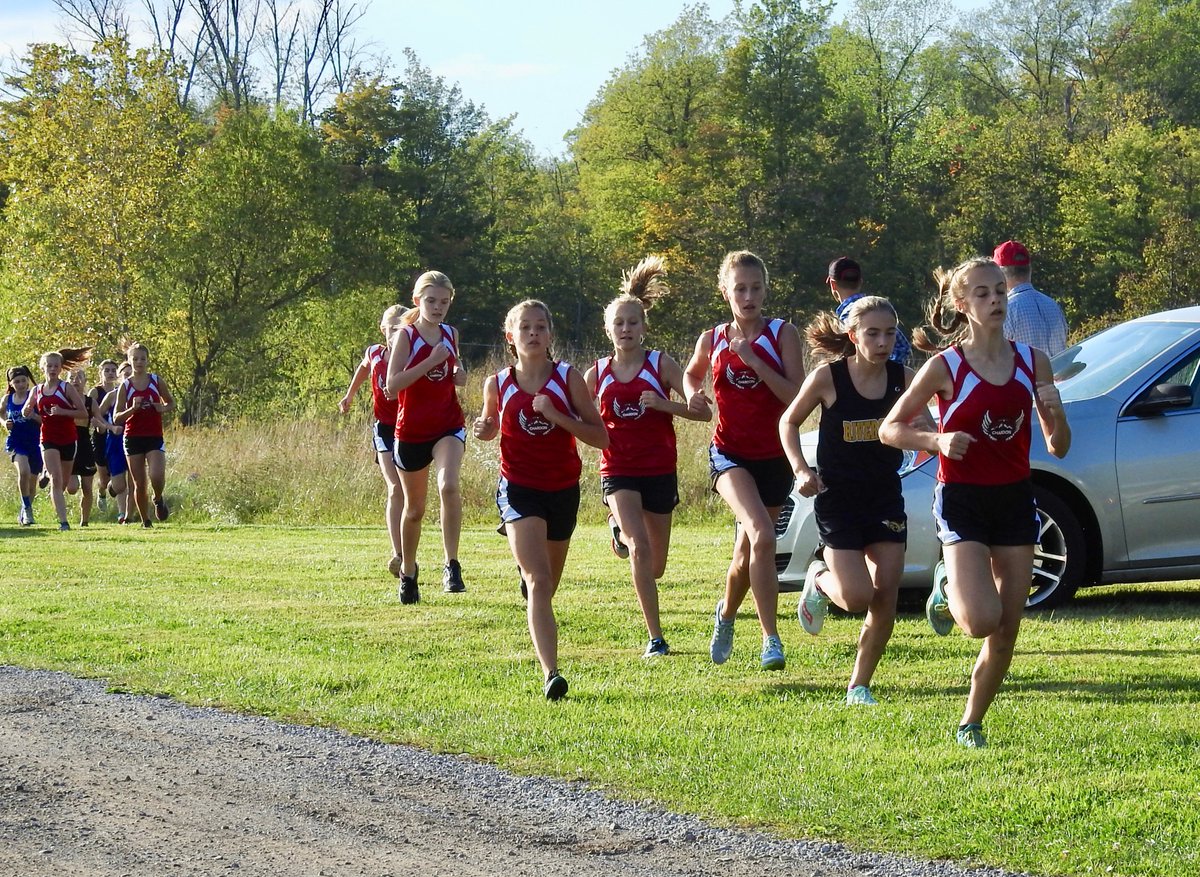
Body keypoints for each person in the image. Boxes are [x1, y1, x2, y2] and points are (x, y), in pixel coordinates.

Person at [879, 257, 1071, 748]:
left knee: (1006, 629)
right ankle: (947, 587)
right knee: (980, 621)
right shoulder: (945, 366)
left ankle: (971, 723)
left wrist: (1054, 413)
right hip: (962, 499)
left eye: (999, 291)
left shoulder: (1033, 361)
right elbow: (891, 429)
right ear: (962, 305)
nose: (994, 300)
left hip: (1014, 499)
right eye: (982, 294)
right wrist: (938, 441)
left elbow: (1059, 446)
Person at [780, 297, 918, 705]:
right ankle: (818, 579)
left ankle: (859, 684)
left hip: (884, 497)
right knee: (857, 597)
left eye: (889, 333)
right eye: (872, 333)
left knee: (886, 591)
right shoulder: (829, 378)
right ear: (853, 335)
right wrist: (802, 470)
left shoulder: (903, 378)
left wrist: (934, 434)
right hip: (837, 499)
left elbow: (926, 422)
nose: (882, 341)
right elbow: (788, 421)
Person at [472, 300, 609, 700]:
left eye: (540, 327)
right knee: (539, 580)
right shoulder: (497, 383)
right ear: (510, 337)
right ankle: (552, 673)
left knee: (546, 587)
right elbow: (490, 427)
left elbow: (600, 437)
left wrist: (556, 415)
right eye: (525, 328)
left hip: (562, 489)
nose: (533, 333)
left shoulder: (567, 379)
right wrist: (483, 428)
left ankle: (532, 591)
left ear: (550, 335)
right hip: (518, 488)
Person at [584, 256, 711, 659]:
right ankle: (656, 638)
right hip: (617, 468)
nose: (626, 329)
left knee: (655, 565)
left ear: (644, 327)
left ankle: (617, 530)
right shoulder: (597, 373)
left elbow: (703, 412)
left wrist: (664, 404)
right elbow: (576, 417)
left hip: (659, 468)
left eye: (633, 322)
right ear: (608, 329)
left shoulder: (661, 364)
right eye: (619, 323)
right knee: (639, 549)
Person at [683, 250, 804, 671]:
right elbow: (692, 373)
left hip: (774, 458)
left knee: (744, 555)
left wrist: (754, 360)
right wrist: (692, 394)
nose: (748, 296)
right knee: (763, 535)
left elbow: (796, 398)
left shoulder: (782, 334)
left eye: (755, 288)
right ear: (725, 292)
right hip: (729, 455)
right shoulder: (712, 338)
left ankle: (727, 614)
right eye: (740, 288)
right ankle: (772, 639)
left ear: (766, 290)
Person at [385, 273, 470, 603]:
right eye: (431, 301)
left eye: (444, 302)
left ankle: (451, 565)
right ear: (418, 301)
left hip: (448, 425)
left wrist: (459, 374)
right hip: (411, 432)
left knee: (448, 485)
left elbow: (455, 370)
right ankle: (408, 571)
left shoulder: (451, 333)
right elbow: (392, 385)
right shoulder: (406, 336)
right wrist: (429, 362)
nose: (438, 308)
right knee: (415, 510)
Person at [339, 304, 410, 579]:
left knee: (408, 494)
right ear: (383, 330)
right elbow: (363, 368)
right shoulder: (375, 353)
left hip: (409, 427)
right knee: (394, 489)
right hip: (383, 429)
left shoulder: (410, 356)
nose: (394, 334)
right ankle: (398, 553)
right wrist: (349, 395)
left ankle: (408, 549)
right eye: (390, 329)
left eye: (399, 329)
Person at [23, 348, 90, 530]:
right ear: (43, 368)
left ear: (61, 368)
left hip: (68, 438)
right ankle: (63, 522)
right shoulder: (37, 390)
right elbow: (27, 408)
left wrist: (63, 412)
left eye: (56, 366)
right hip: (48, 438)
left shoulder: (66, 388)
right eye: (49, 366)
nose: (52, 369)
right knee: (56, 478)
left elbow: (83, 413)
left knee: (64, 483)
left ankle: (48, 479)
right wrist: (26, 411)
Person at [113, 342, 174, 528]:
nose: (139, 362)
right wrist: (132, 409)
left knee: (156, 476)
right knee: (139, 482)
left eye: (142, 359)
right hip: (132, 437)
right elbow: (116, 417)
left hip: (154, 435)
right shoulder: (125, 386)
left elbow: (170, 403)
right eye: (135, 359)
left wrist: (160, 408)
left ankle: (158, 497)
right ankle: (145, 520)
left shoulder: (156, 381)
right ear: (129, 361)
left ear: (148, 361)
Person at [827, 257, 911, 366]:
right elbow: (903, 347)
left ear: (833, 284)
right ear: (860, 282)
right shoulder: (878, 309)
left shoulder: (850, 315)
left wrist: (880, 370)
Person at [993, 240, 1068, 357]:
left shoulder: (1006, 311)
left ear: (1000, 274)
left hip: (1025, 375)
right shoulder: (1053, 305)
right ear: (1030, 269)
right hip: (1059, 374)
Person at [3, 365, 43, 526]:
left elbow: (44, 421)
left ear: (28, 382)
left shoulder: (35, 397)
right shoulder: (7, 399)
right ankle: (27, 508)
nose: (21, 384)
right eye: (17, 382)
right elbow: (1, 413)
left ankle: (25, 511)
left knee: (32, 484)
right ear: (11, 384)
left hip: (35, 442)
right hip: (16, 442)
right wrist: (4, 423)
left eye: (23, 381)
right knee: (24, 471)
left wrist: (33, 415)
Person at [96, 362, 133, 524]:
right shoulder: (112, 395)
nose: (128, 377)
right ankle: (112, 485)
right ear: (119, 377)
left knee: (134, 481)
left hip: (134, 440)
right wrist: (110, 427)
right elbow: (96, 415)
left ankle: (124, 514)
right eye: (125, 374)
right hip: (115, 442)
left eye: (130, 374)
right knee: (119, 485)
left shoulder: (140, 394)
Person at [88, 359, 120, 511]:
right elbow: (90, 415)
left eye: (113, 370)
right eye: (106, 370)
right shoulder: (96, 392)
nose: (110, 373)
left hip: (116, 437)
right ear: (100, 373)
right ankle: (101, 492)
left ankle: (116, 489)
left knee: (116, 472)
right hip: (100, 436)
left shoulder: (121, 390)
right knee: (104, 478)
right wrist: (104, 426)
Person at [67, 366, 97, 526]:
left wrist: (104, 426)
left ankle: (84, 521)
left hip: (85, 443)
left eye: (79, 377)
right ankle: (49, 473)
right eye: (71, 378)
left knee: (87, 486)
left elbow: (100, 419)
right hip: (68, 442)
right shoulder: (63, 401)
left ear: (85, 381)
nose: (75, 381)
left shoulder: (90, 401)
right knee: (72, 487)